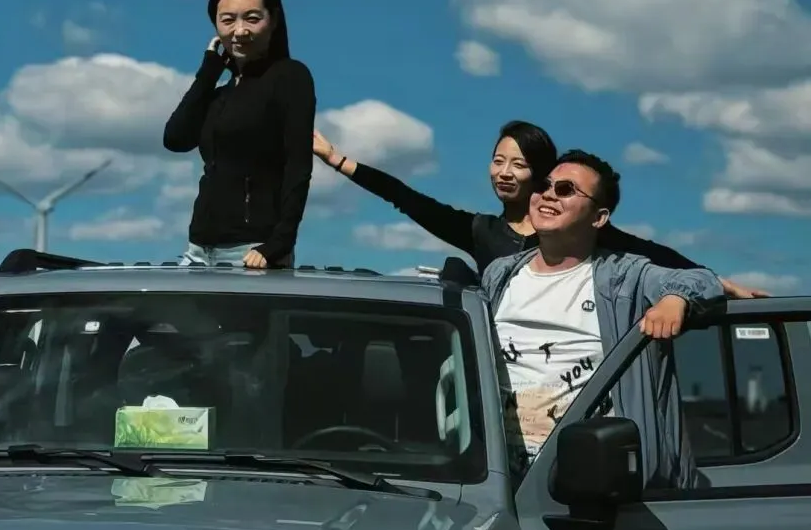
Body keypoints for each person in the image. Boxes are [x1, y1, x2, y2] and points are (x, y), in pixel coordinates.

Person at [481, 149, 724, 488]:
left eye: (566, 189)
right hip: (499, 479)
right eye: (544, 185)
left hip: (587, 483)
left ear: (599, 217)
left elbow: (702, 280)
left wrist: (675, 299)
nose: (549, 194)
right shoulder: (500, 274)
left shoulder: (623, 276)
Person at [313, 118, 763, 298]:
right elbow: (407, 198)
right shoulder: (480, 230)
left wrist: (715, 281)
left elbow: (651, 253)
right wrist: (337, 159)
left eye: (519, 164)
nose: (504, 172)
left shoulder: (574, 230)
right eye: (498, 161)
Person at [164, 0, 316, 269]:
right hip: (198, 250)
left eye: (252, 18)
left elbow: (298, 166)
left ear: (273, 20)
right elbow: (176, 139)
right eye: (228, 20)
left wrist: (279, 243)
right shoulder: (221, 92)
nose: (240, 30)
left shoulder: (290, 76)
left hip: (253, 252)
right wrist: (209, 72)